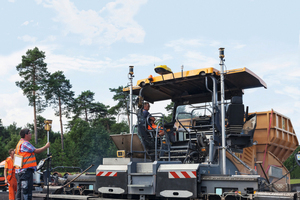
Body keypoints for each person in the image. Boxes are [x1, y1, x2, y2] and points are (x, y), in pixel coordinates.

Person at [15, 129, 50, 200]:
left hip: (20, 171)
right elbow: (37, 151)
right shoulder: (25, 143)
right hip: (25, 171)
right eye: (29, 133)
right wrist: (46, 146)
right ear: (25, 135)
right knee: (27, 192)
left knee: (23, 191)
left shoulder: (19, 143)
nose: (31, 134)